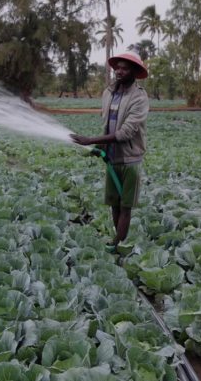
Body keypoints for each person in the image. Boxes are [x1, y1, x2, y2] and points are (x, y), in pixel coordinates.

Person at [70, 51, 149, 252]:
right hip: (112, 157)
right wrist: (99, 147)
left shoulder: (139, 97)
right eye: (117, 68)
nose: (119, 71)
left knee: (125, 206)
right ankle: (118, 239)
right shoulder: (109, 93)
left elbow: (126, 133)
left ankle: (118, 245)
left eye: (125, 68)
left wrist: (91, 140)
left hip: (130, 159)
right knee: (114, 203)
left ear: (134, 72)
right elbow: (108, 125)